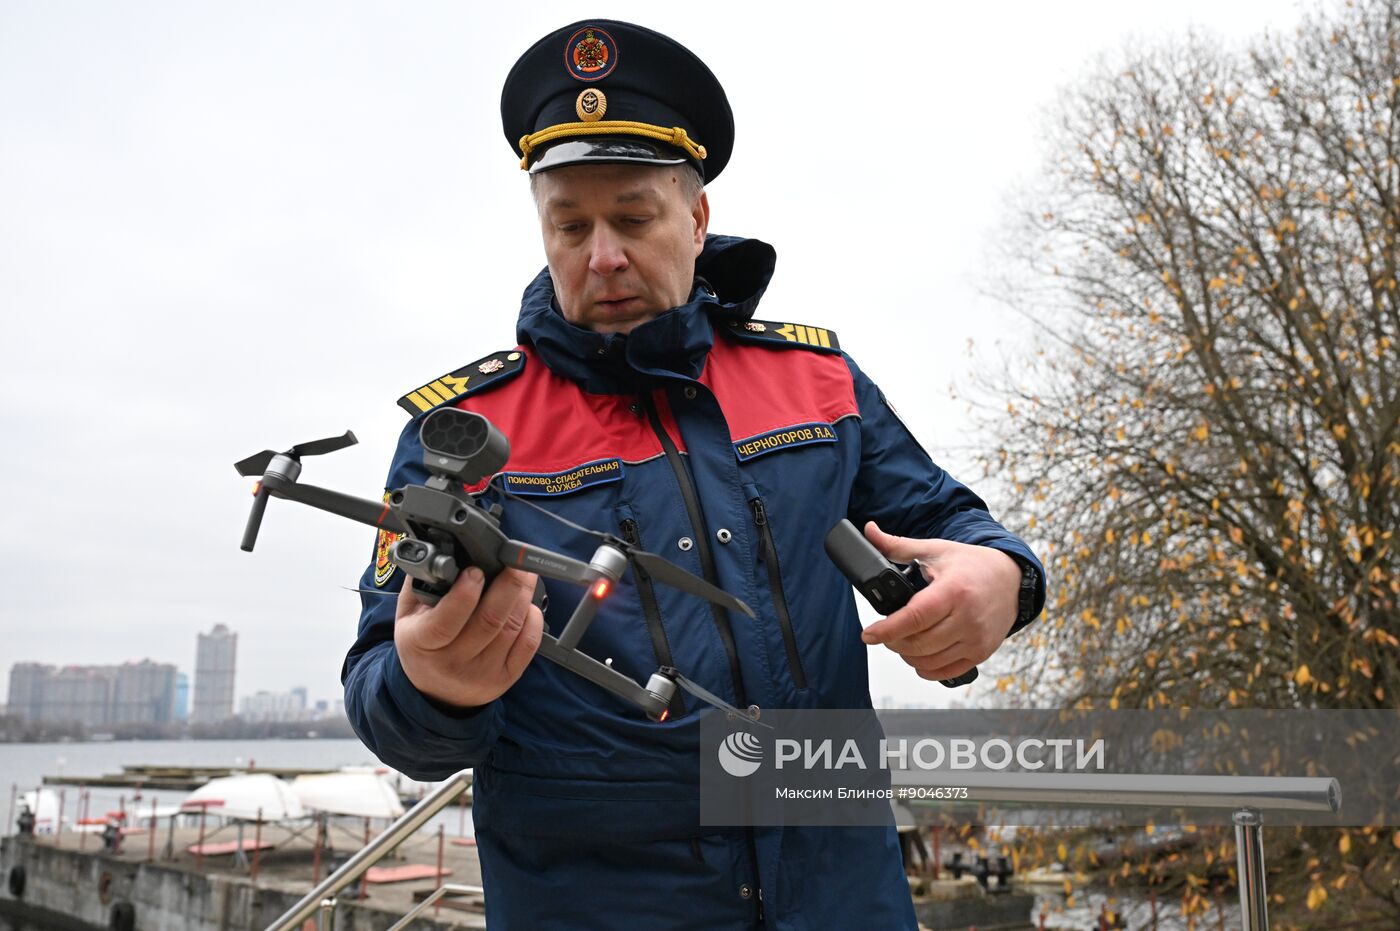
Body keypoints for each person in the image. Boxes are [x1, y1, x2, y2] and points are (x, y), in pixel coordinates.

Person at [343, 19, 1044, 930]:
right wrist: (434, 683)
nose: (603, 255)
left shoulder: (819, 383)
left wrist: (1003, 580)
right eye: (570, 225)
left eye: (632, 217)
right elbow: (382, 695)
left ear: (698, 216)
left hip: (842, 898)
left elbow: (962, 529)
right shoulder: (461, 435)